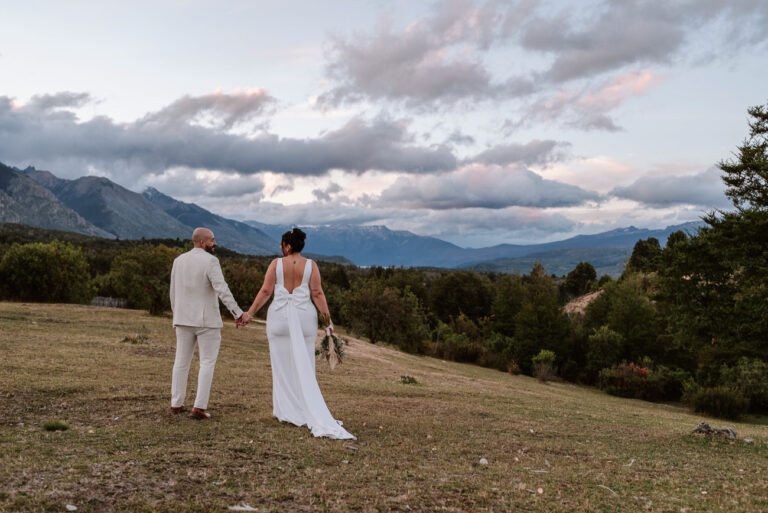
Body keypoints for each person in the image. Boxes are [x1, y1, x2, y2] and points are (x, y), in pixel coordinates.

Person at [239, 228, 355, 439]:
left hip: (279, 318)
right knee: (304, 363)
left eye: (282, 244)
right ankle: (303, 407)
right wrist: (327, 321)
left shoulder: (276, 264)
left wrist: (250, 313)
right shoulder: (311, 266)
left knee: (281, 364)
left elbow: (265, 291)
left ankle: (286, 411)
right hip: (304, 319)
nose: (280, 248)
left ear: (288, 246)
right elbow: (317, 293)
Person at [169, 227, 244, 419]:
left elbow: (173, 292)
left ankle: (176, 403)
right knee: (207, 363)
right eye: (212, 240)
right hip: (206, 321)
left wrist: (176, 313)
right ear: (202, 242)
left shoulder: (179, 261)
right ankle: (199, 407)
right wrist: (237, 313)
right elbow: (222, 289)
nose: (215, 243)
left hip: (183, 319)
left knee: (181, 362)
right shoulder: (211, 261)